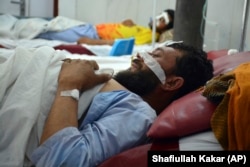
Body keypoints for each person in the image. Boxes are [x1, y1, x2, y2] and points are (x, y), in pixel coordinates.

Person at [30, 42, 214, 167]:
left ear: (172, 83)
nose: (139, 56)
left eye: (154, 56)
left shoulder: (140, 114)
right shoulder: (130, 97)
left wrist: (69, 84)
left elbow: (63, 161)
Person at [37, 9, 174, 45]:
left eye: (162, 20)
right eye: (158, 15)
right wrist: (129, 25)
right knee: (49, 26)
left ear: (166, 27)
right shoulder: (147, 30)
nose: (157, 19)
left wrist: (92, 42)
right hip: (91, 28)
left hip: (93, 35)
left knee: (45, 32)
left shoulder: (152, 36)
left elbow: (123, 42)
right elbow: (127, 34)